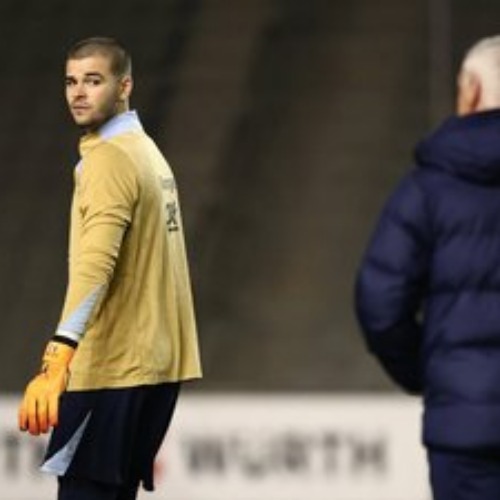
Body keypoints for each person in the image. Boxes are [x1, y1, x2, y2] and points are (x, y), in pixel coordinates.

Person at [18, 37, 202, 500]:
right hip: (155, 369)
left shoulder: (110, 158)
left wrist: (58, 356)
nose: (78, 93)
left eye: (93, 81)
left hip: (111, 369)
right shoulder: (146, 152)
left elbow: (96, 265)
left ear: (124, 86)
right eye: (71, 82)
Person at [355, 35, 500, 500]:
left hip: (465, 432)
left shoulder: (427, 189)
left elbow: (380, 303)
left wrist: (429, 372)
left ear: (471, 91)